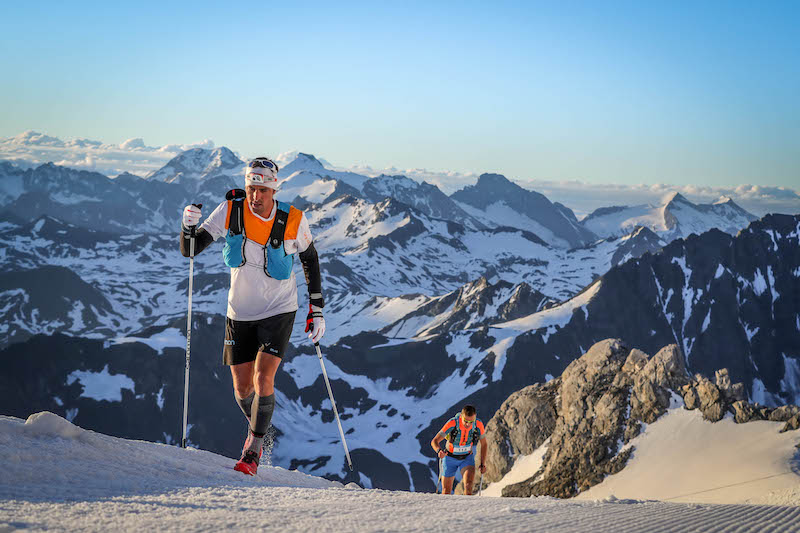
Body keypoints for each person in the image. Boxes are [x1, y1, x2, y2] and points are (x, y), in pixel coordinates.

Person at [179, 157, 326, 476]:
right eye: (250, 188)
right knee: (242, 388)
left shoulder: (293, 219)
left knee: (263, 377)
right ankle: (261, 425)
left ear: (273, 188)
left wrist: (317, 308)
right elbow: (191, 250)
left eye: (261, 189)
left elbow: (310, 259)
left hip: (280, 309)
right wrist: (187, 227)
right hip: (239, 313)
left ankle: (253, 450)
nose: (255, 195)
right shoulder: (230, 211)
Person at [430, 404, 487, 495]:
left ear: (475, 417)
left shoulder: (478, 424)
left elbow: (484, 444)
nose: (468, 424)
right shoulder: (453, 423)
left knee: (468, 487)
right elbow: (434, 441)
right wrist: (439, 450)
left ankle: (465, 509)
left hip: (467, 458)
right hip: (449, 458)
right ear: (461, 416)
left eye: (471, 421)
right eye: (466, 421)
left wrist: (482, 463)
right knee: (446, 491)